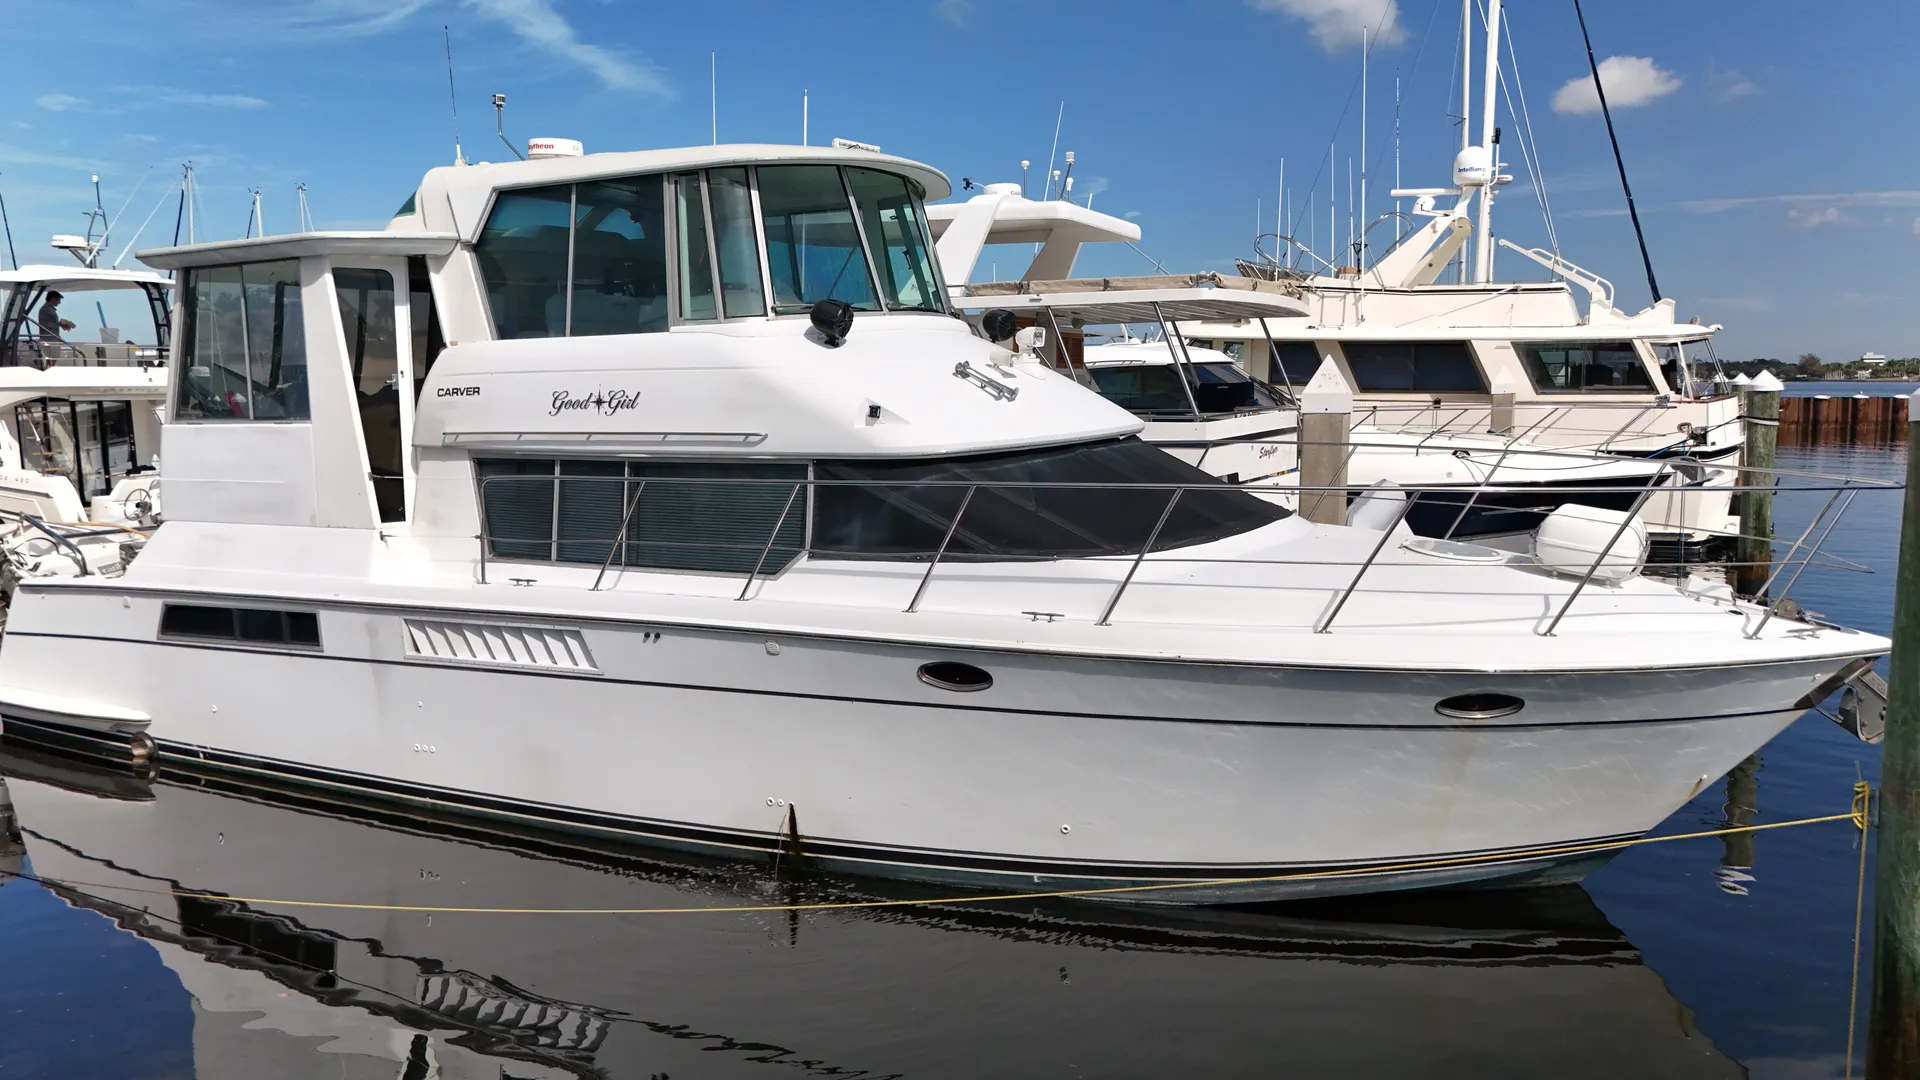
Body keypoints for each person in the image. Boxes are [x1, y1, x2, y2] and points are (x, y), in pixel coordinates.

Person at [35, 290, 76, 367]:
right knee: (51, 359)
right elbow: (45, 325)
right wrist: (60, 324)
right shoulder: (45, 310)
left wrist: (61, 324)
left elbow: (50, 323)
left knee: (53, 358)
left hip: (52, 338)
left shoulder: (49, 310)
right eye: (58, 300)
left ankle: (49, 369)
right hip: (49, 339)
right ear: (53, 299)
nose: (59, 302)